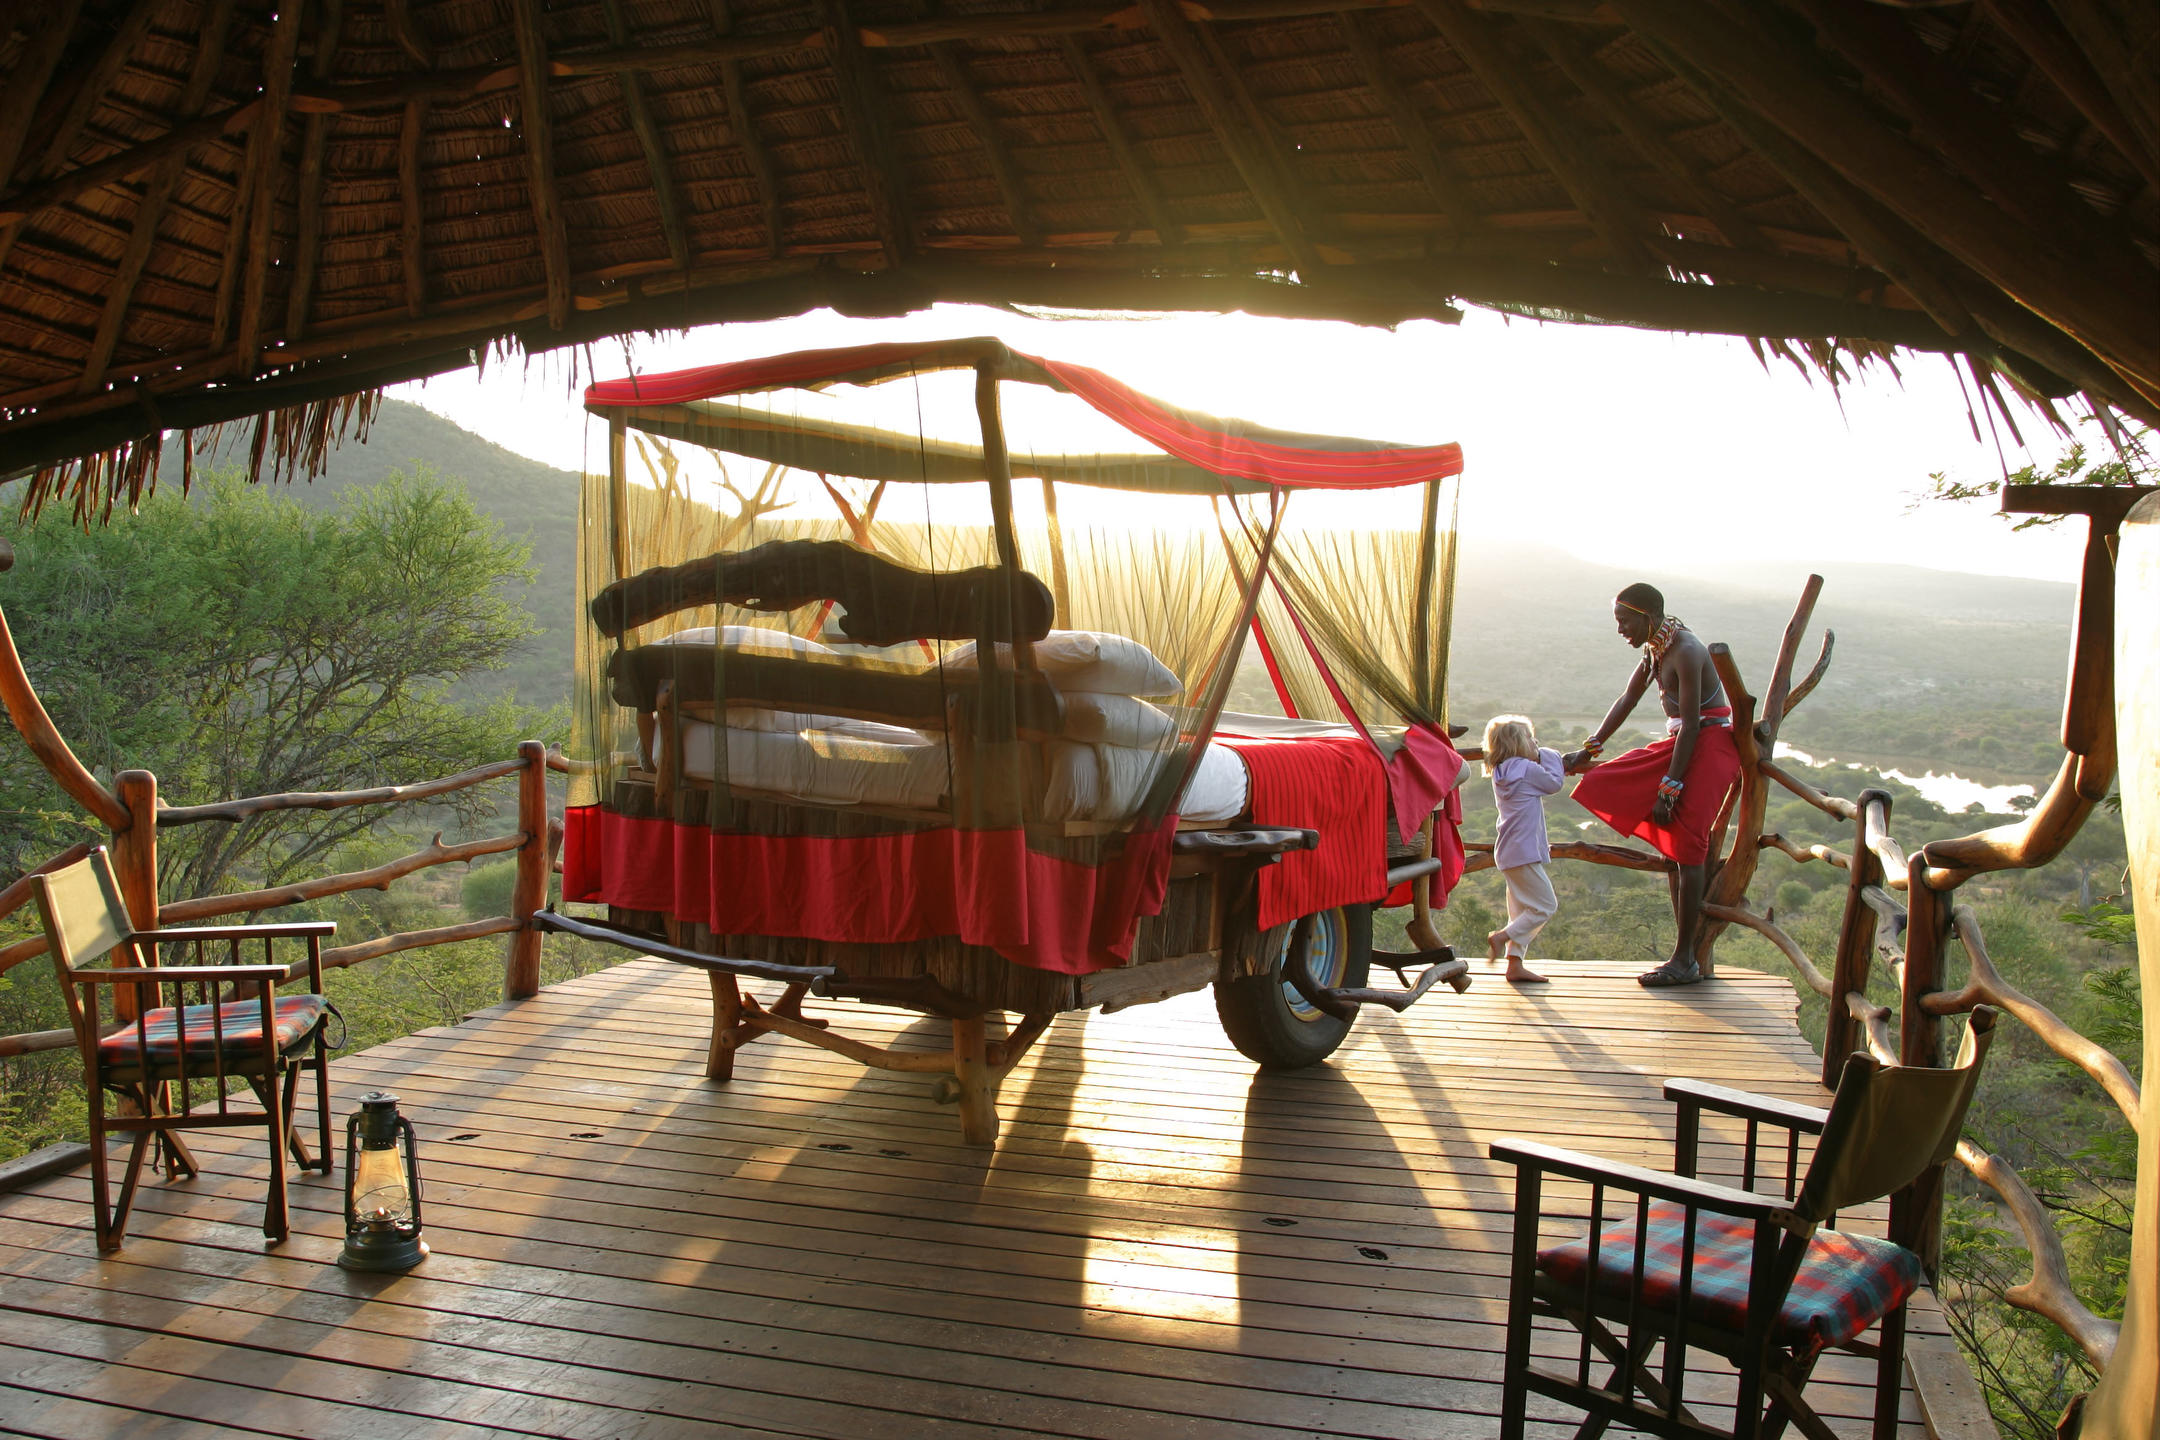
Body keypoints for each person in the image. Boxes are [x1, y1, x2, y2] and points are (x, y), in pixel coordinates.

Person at [1565, 583, 1742, 988]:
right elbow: (1627, 698)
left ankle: (1685, 959)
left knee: (1689, 847)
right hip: (1682, 742)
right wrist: (1589, 748)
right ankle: (1686, 957)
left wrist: (1669, 787)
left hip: (1709, 744)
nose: (1621, 630)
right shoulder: (1656, 649)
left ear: (1648, 617)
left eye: (1625, 622)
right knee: (1607, 780)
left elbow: (1696, 724)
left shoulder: (1686, 650)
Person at [1483, 714, 1563, 984]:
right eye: (1530, 738)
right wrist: (1548, 753)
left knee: (1520, 911)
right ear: (1518, 743)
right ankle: (1501, 937)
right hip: (1524, 851)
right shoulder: (1527, 770)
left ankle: (1514, 966)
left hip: (1508, 851)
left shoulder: (1500, 771)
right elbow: (1554, 783)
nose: (1534, 742)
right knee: (1545, 906)